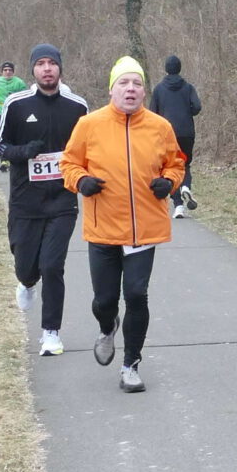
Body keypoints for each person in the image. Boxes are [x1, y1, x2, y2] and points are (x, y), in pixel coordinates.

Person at [61, 55, 188, 394]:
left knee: (136, 294)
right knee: (104, 300)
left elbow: (177, 163)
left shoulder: (160, 127)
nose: (130, 89)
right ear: (112, 89)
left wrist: (169, 182)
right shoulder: (89, 124)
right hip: (103, 228)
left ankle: (131, 365)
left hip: (143, 229)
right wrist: (81, 181)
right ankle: (107, 327)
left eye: (137, 83)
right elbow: (69, 163)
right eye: (124, 83)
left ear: (144, 91)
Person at [0, 45, 88, 356]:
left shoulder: (77, 107)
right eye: (41, 64)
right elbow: (0, 145)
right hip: (25, 201)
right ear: (33, 70)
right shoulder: (17, 104)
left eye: (52, 63)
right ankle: (26, 282)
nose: (47, 69)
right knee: (26, 267)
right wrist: (24, 152)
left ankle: (51, 333)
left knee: (52, 266)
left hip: (62, 200)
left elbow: (90, 149)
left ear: (60, 68)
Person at [148, 54, 203, 216]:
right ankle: (186, 187)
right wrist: (186, 111)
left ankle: (178, 205)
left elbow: (152, 113)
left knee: (170, 167)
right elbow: (197, 107)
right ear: (180, 68)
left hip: (167, 133)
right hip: (187, 133)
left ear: (166, 69)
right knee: (185, 164)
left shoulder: (159, 89)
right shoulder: (188, 88)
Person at [0, 61, 28, 136]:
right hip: (0, 111)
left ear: (13, 71)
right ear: (2, 71)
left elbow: (25, 96)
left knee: (13, 133)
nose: (8, 72)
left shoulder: (19, 82)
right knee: (1, 133)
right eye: (5, 70)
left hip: (14, 111)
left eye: (10, 70)